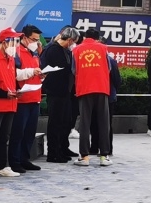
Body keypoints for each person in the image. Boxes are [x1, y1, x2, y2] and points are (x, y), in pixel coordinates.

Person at [0, 27, 40, 179]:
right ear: (4, 42)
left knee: (4, 137)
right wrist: (4, 94)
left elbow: (13, 78)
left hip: (10, 102)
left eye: (17, 42)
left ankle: (2, 166)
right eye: (13, 42)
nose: (16, 45)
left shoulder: (11, 59)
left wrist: (17, 91)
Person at [71, 27, 112, 166]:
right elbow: (109, 68)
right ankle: (104, 156)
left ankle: (84, 157)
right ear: (97, 38)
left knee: (84, 123)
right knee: (103, 123)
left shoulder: (76, 50)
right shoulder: (103, 48)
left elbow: (73, 70)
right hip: (101, 88)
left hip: (84, 89)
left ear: (85, 37)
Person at [41, 26, 79, 163]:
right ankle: (53, 152)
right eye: (73, 41)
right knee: (55, 122)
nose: (73, 44)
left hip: (65, 91)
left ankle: (63, 148)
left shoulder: (66, 51)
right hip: (55, 91)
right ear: (69, 40)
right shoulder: (53, 49)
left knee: (65, 121)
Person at [9, 25, 44, 173]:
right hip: (22, 98)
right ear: (24, 37)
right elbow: (14, 73)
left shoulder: (34, 53)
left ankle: (25, 159)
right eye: (34, 39)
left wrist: (41, 75)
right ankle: (14, 161)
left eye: (37, 40)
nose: (36, 42)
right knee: (18, 133)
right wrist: (31, 71)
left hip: (35, 97)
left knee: (30, 132)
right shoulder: (16, 52)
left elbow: (35, 72)